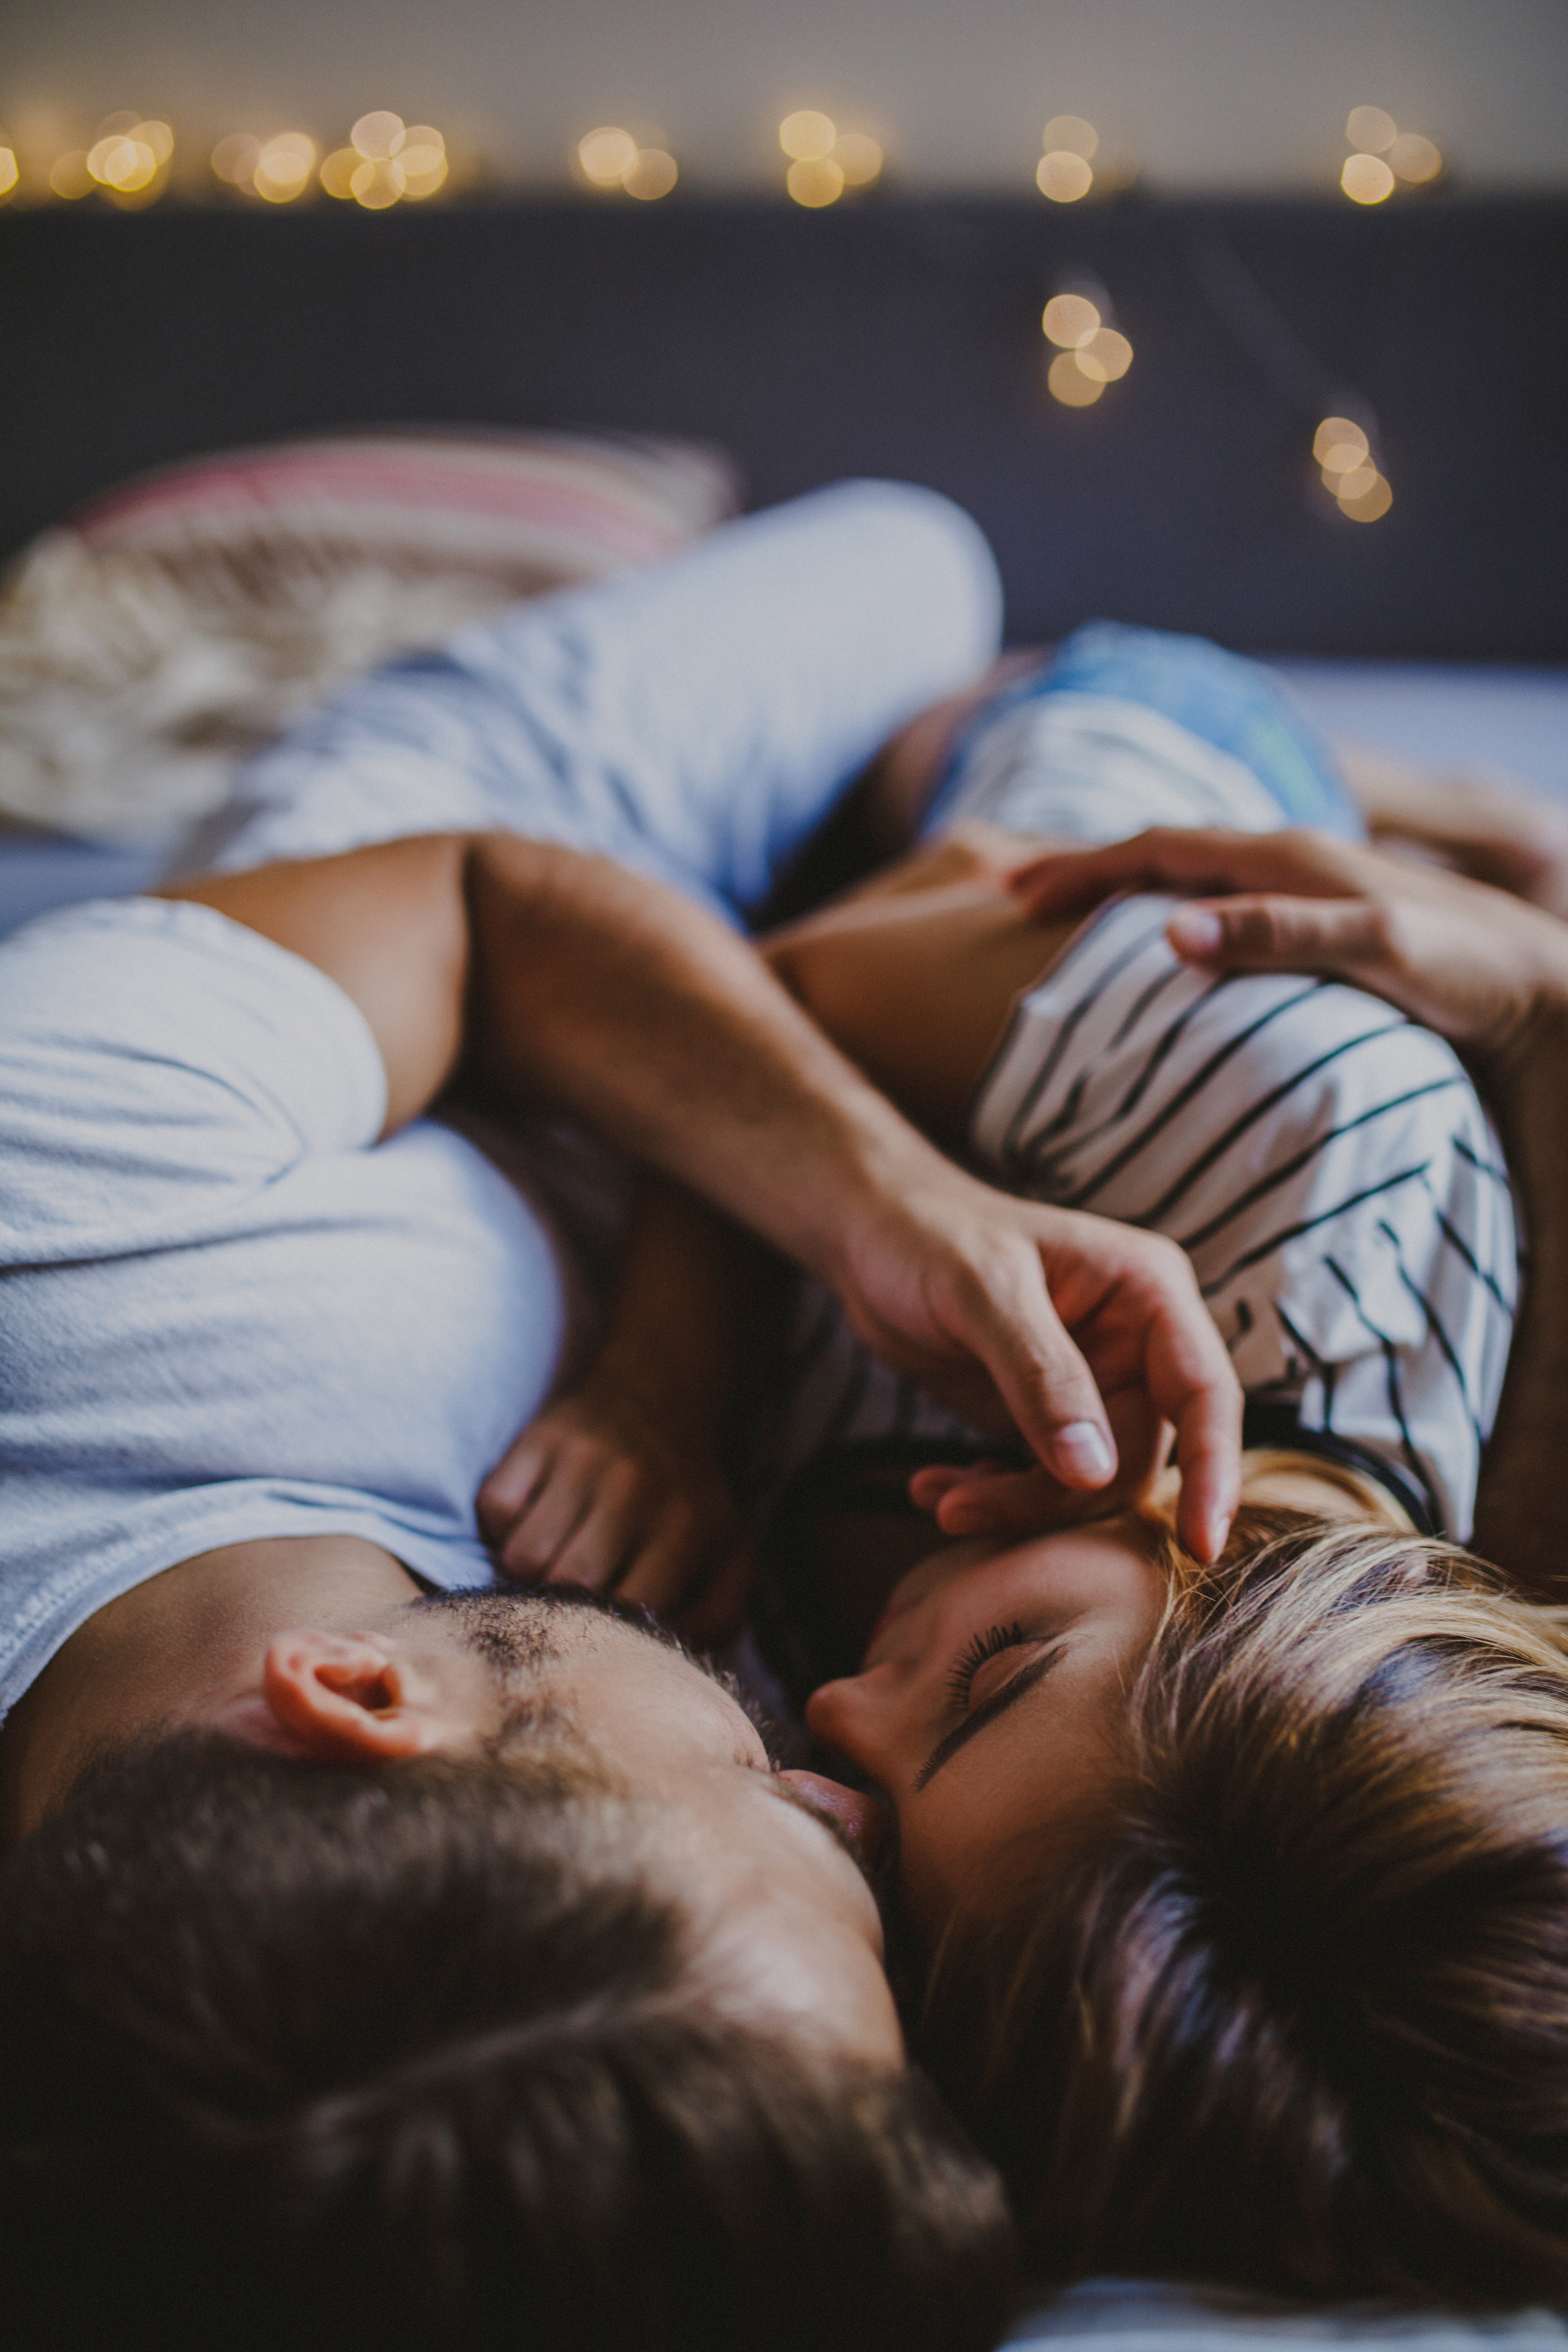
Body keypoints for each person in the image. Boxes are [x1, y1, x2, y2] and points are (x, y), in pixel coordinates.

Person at [0, 487, 1242, 2347]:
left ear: (363, 1697)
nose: (840, 1777)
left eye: (764, 1803)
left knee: (921, 550)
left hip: (496, 846)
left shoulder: (56, 1199)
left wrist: (876, 1218)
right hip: (718, 1073)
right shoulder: (473, 2035)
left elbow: (486, 908)